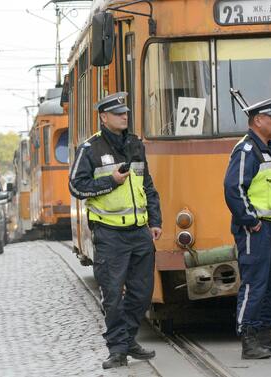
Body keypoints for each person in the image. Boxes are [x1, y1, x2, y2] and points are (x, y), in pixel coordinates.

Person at [69, 92, 162, 369]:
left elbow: (148, 186)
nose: (125, 116)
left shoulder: (135, 145)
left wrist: (155, 221)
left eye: (126, 112)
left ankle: (128, 338)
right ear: (103, 117)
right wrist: (110, 181)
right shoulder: (90, 149)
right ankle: (118, 349)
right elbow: (76, 186)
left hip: (139, 233)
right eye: (119, 113)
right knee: (112, 294)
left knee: (142, 293)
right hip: (109, 234)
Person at [223, 95, 271, 359]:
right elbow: (233, 189)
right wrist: (251, 221)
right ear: (258, 120)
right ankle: (249, 338)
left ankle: (267, 333)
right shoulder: (246, 150)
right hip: (256, 230)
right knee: (255, 283)